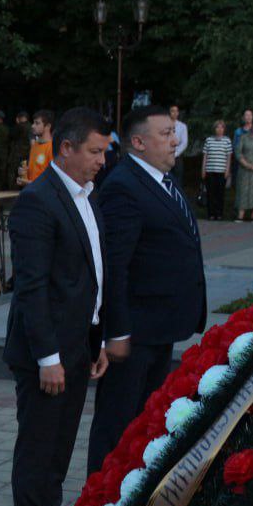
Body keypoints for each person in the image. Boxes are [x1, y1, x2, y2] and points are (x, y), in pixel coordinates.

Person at [5, 107, 113, 506]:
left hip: (77, 348)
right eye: (94, 151)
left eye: (104, 152)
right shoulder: (38, 200)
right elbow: (33, 288)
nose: (101, 161)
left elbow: (88, 278)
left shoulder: (87, 197)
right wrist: (48, 358)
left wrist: (97, 340)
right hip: (45, 355)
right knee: (38, 451)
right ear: (64, 148)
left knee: (59, 450)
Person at [87, 105, 206, 474]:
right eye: (166, 133)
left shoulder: (162, 180)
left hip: (159, 327)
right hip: (134, 335)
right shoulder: (124, 186)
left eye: (175, 132)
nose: (175, 140)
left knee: (143, 423)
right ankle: (99, 505)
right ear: (138, 142)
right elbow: (115, 269)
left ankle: (128, 499)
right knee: (118, 424)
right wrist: (117, 333)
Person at [200, 120, 232, 220]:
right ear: (214, 129)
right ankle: (211, 214)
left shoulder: (227, 141)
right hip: (210, 171)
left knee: (220, 194)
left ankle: (219, 214)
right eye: (217, 127)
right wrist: (203, 169)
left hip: (221, 171)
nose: (219, 129)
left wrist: (227, 170)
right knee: (210, 193)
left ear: (224, 129)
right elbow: (205, 156)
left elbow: (229, 157)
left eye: (221, 127)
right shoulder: (209, 140)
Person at [22, 109, 54, 185]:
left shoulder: (53, 148)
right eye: (33, 123)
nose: (32, 126)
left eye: (37, 123)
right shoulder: (35, 145)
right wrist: (24, 173)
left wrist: (31, 183)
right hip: (32, 193)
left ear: (48, 126)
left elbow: (53, 180)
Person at [9, 110, 31, 189]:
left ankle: (13, 188)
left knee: (14, 171)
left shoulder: (19, 126)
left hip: (18, 153)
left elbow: (11, 135)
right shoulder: (31, 126)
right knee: (25, 172)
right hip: (28, 153)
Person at [232, 108, 253, 186]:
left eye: (250, 115)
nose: (248, 117)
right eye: (246, 115)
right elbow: (235, 148)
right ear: (243, 118)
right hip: (240, 163)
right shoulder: (238, 132)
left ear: (252, 117)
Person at [169, 103, 189, 184]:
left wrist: (176, 154)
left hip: (177, 156)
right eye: (172, 111)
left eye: (176, 111)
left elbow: (184, 143)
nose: (174, 113)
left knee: (178, 179)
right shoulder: (164, 125)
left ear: (178, 113)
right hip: (165, 155)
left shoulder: (182, 126)